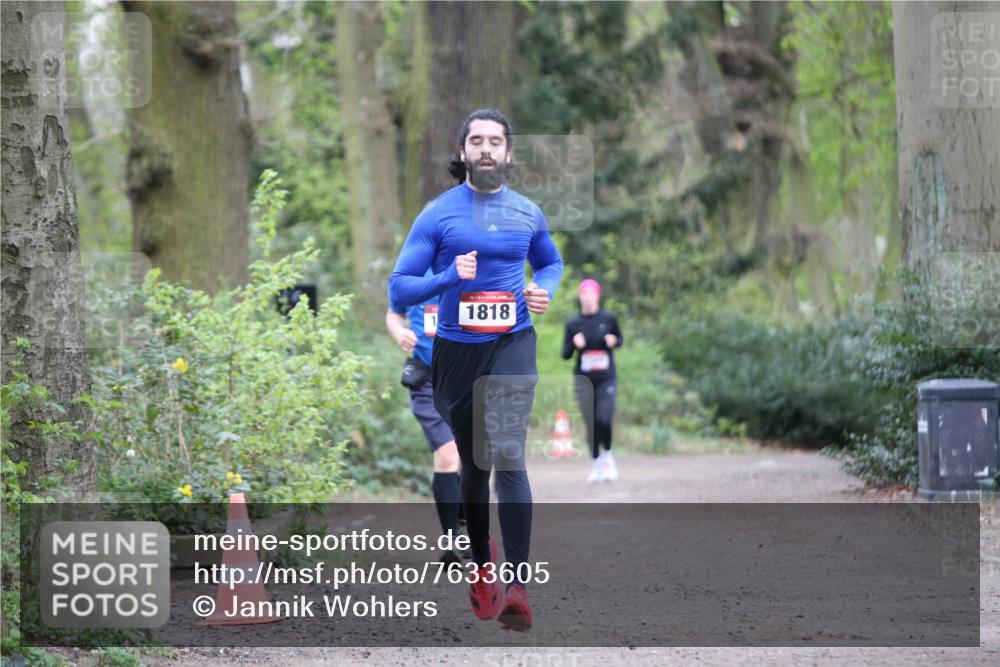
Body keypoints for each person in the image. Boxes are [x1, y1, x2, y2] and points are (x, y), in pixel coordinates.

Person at [388, 108, 563, 631]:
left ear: (509, 154)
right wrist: (446, 276)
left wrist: (543, 291)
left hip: (511, 343)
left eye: (496, 141)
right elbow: (399, 287)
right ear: (462, 152)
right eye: (477, 141)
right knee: (473, 465)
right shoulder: (438, 215)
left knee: (507, 454)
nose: (486, 149)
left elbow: (550, 262)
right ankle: (482, 569)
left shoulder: (528, 213)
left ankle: (519, 586)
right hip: (456, 356)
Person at [385, 289, 465, 567]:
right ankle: (451, 540)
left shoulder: (465, 266)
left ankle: (465, 521)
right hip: (427, 380)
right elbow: (394, 312)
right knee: (447, 454)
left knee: (467, 456)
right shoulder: (412, 272)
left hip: (465, 375)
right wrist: (398, 332)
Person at [562, 279, 623, 483]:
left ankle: (608, 458)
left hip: (606, 378)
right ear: (580, 296)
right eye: (584, 293)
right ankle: (596, 463)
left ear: (597, 295)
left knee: (603, 419)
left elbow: (619, 339)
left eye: (591, 293)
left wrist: (614, 341)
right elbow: (565, 354)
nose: (587, 297)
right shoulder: (573, 323)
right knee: (591, 424)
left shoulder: (608, 318)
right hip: (584, 380)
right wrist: (574, 343)